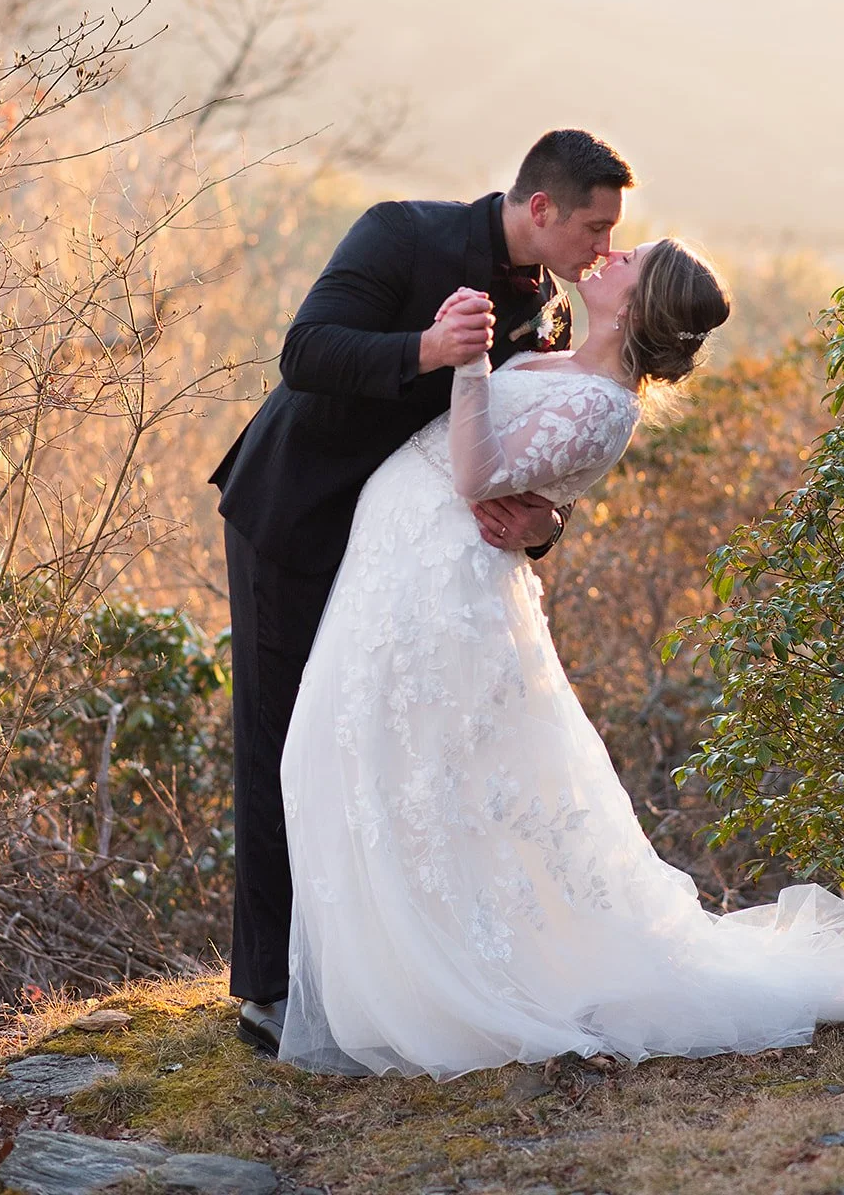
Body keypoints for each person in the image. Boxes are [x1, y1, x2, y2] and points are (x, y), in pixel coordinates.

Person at [278, 239, 844, 1079]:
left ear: (636, 308)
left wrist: (467, 364)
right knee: (375, 762)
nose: (611, 253)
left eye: (631, 260)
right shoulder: (552, 350)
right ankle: (407, 969)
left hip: (440, 589)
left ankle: (455, 982)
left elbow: (476, 472)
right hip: (402, 565)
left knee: (425, 777)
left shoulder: (607, 406)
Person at [209, 128, 636, 1054]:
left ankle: (380, 966)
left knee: (381, 746)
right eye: (594, 229)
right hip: (298, 517)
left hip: (408, 563)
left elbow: (525, 461)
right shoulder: (401, 231)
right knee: (283, 738)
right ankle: (271, 988)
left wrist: (546, 529)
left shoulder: (554, 318)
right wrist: (428, 347)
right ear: (540, 209)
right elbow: (307, 351)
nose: (601, 250)